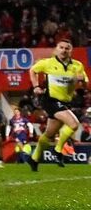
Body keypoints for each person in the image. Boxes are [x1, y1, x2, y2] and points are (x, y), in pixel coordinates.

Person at [26, 40, 87, 170]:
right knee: (74, 124)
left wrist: (82, 81)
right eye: (61, 47)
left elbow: (85, 85)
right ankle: (58, 149)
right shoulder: (48, 63)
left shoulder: (77, 65)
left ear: (71, 51)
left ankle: (34, 158)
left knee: (49, 134)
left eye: (67, 48)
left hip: (65, 102)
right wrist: (36, 86)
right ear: (56, 49)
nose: (64, 50)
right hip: (50, 100)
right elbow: (32, 70)